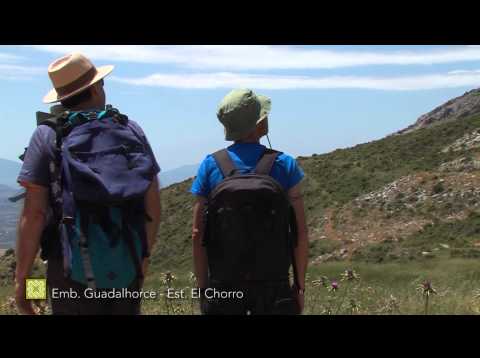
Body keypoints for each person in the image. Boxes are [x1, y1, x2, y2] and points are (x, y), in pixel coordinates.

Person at [15, 53, 161, 315]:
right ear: (95, 88)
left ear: (61, 96)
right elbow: (152, 203)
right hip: (126, 264)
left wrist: (23, 282)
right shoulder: (130, 129)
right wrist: (142, 260)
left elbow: (34, 215)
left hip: (68, 269)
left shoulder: (47, 135)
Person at [191, 89, 308, 315]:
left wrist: (203, 289)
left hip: (224, 287)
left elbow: (197, 234)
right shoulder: (285, 164)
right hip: (274, 287)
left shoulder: (210, 165)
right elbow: (300, 233)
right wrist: (299, 287)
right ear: (259, 124)